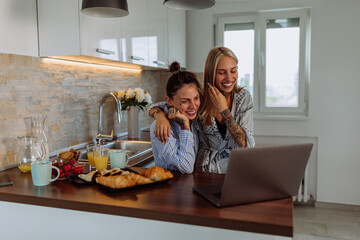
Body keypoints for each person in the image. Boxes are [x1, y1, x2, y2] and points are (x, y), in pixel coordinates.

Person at [149, 47, 255, 174]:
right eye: (221, 72)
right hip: (204, 172)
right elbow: (166, 104)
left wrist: (223, 110)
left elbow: (245, 143)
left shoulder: (243, 98)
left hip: (236, 170)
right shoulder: (200, 98)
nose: (229, 78)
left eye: (233, 71)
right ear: (211, 73)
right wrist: (160, 116)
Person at [149, 61, 201, 174]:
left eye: (196, 98)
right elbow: (186, 168)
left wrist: (159, 114)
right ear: (170, 101)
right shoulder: (161, 128)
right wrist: (185, 127)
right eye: (185, 101)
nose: (193, 106)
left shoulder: (195, 119)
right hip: (170, 188)